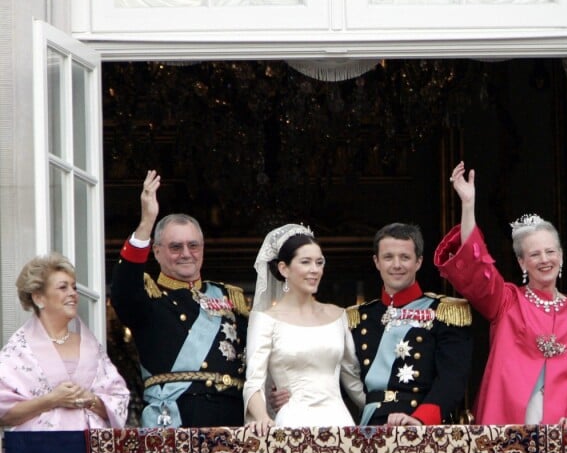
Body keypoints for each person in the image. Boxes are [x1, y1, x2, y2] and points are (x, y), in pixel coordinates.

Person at [435, 161, 567, 427]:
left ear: (560, 256)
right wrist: (468, 206)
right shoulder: (507, 301)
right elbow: (477, 267)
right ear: (523, 263)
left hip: (564, 428)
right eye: (534, 254)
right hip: (506, 422)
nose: (544, 260)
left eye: (550, 252)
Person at [110, 170, 249, 428]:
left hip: (232, 414)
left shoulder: (230, 298)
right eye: (175, 247)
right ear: (157, 252)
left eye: (193, 245)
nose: (186, 254)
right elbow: (122, 288)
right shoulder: (149, 299)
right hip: (178, 417)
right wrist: (146, 223)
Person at [243, 224, 365, 435]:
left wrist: (382, 413)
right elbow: (254, 381)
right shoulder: (265, 319)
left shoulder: (338, 315)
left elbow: (352, 380)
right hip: (292, 424)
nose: (315, 270)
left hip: (340, 423)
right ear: (284, 269)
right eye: (306, 262)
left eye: (319, 262)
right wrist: (262, 418)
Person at [348, 222, 473, 426]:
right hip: (370, 426)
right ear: (376, 262)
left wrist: (420, 419)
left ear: (419, 262)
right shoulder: (358, 317)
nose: (396, 265)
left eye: (405, 257)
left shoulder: (443, 313)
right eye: (388, 257)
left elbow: (453, 379)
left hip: (423, 425)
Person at [0, 253, 129, 430]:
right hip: (37, 450)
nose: (73, 294)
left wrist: (90, 400)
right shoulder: (19, 350)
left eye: (74, 288)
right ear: (39, 298)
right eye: (63, 287)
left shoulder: (90, 347)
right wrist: (52, 400)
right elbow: (4, 413)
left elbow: (118, 399)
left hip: (88, 450)